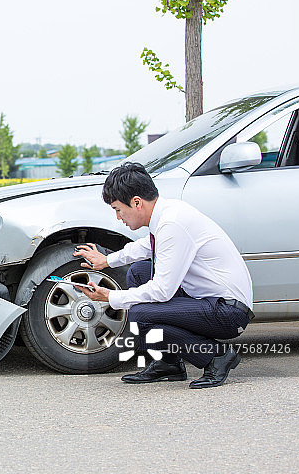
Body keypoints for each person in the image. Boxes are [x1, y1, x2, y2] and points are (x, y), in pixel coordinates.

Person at [74, 162, 254, 389]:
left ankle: (216, 356)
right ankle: (168, 363)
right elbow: (146, 248)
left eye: (118, 209)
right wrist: (107, 260)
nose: (118, 217)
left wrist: (110, 297)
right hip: (209, 301)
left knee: (140, 313)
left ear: (136, 202)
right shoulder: (167, 213)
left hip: (228, 312)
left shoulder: (173, 223)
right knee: (139, 273)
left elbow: (162, 290)